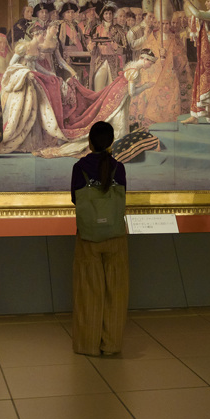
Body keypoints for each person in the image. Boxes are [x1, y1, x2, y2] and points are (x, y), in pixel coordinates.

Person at [71, 121, 129, 357]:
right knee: (116, 292)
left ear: (90, 142)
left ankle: (88, 345)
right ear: (112, 142)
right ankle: (111, 344)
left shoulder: (80, 167)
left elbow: (76, 199)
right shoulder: (119, 168)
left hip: (88, 237)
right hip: (115, 236)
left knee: (88, 291)